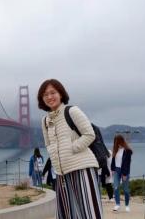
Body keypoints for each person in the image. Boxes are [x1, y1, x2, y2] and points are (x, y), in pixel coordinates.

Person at [38, 79, 102, 219]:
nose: (49, 97)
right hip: (61, 174)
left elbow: (90, 134)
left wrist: (72, 148)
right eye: (45, 95)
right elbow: (48, 144)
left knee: (89, 213)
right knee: (67, 214)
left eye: (53, 92)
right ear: (42, 99)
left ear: (61, 94)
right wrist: (55, 156)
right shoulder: (45, 121)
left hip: (82, 169)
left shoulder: (71, 111)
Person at [111, 135, 133, 212]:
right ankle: (117, 204)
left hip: (124, 171)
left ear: (121, 141)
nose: (116, 143)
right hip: (116, 170)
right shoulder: (115, 149)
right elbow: (113, 160)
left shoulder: (128, 151)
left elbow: (127, 163)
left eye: (117, 141)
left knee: (126, 189)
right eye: (115, 141)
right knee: (116, 187)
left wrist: (125, 174)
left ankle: (127, 205)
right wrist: (112, 169)